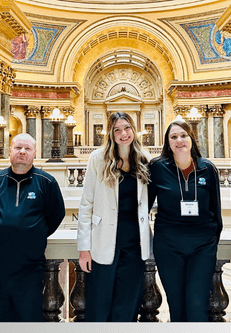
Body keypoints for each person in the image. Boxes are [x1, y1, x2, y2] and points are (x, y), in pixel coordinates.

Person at [0, 133, 65, 322]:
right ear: (10, 151)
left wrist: (36, 232)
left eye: (27, 149)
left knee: (28, 320)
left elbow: (57, 214)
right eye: (18, 148)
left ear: (35, 153)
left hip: (30, 270)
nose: (22, 152)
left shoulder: (47, 183)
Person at [77, 111, 152, 322]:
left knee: (127, 303)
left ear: (134, 129)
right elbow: (86, 204)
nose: (123, 133)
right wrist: (84, 248)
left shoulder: (144, 159)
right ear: (111, 133)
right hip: (104, 239)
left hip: (135, 241)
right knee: (99, 302)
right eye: (117, 130)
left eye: (127, 128)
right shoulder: (97, 159)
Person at [148, 120, 222, 322]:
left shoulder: (208, 169)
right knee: (177, 305)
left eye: (183, 135)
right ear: (168, 142)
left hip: (202, 245)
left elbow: (216, 211)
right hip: (168, 244)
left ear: (191, 139)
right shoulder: (157, 168)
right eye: (173, 137)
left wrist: (211, 240)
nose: (179, 140)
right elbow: (143, 206)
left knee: (198, 305)